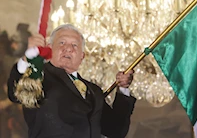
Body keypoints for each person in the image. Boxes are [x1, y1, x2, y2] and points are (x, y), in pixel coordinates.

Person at [7, 23, 136, 138]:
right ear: (49, 48)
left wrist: (123, 89)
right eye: (62, 43)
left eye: (74, 45)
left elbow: (116, 130)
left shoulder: (94, 90)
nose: (68, 48)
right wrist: (27, 59)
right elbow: (15, 93)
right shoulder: (39, 76)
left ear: (82, 56)